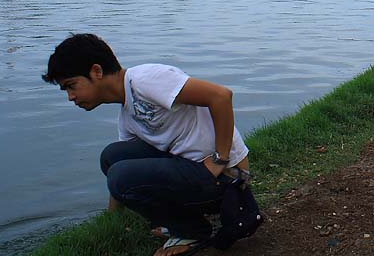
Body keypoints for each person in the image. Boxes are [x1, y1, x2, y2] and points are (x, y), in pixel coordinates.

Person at [42, 34, 251, 256]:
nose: (70, 97)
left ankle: (192, 231)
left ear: (96, 71)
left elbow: (220, 96)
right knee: (112, 157)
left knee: (120, 174)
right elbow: (122, 171)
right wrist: (113, 221)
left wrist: (220, 158)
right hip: (194, 172)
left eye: (71, 86)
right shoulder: (127, 115)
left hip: (227, 179)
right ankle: (180, 221)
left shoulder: (146, 79)